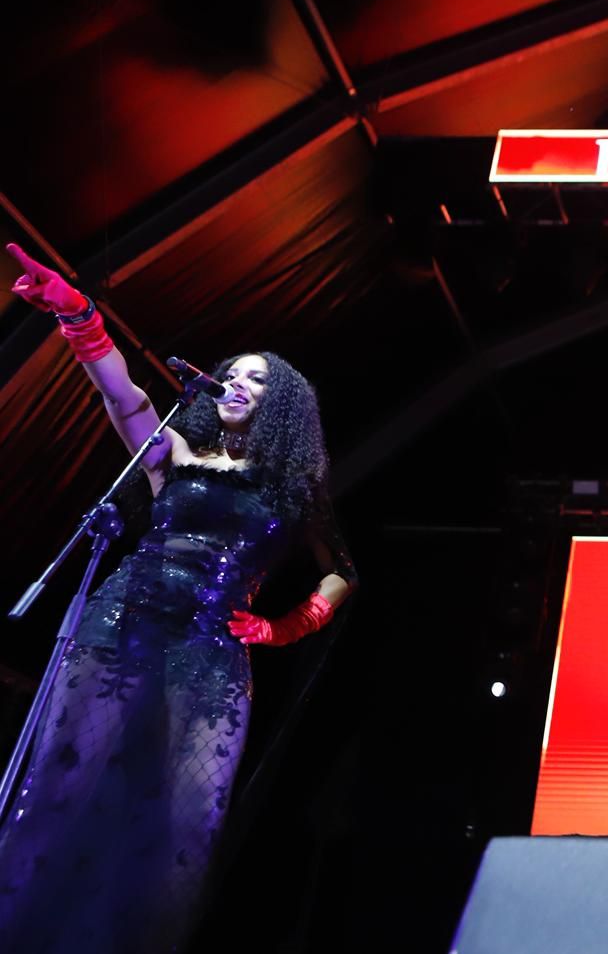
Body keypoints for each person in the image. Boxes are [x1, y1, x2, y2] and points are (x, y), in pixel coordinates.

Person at [0, 243, 357, 954]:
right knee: (65, 785)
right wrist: (78, 316)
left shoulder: (294, 487)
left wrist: (288, 627)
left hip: (209, 651)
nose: (233, 384)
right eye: (230, 376)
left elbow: (339, 569)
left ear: (281, 404)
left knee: (171, 817)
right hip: (118, 625)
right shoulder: (177, 452)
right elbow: (122, 397)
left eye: (254, 381)